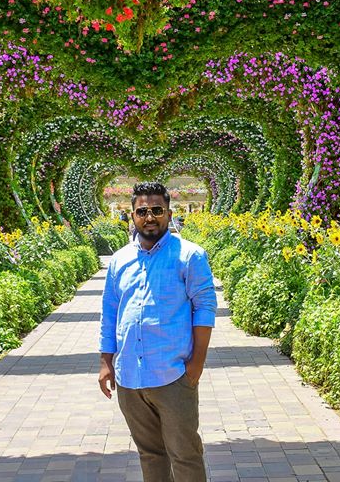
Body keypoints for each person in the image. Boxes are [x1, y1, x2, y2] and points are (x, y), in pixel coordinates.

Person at [98, 181, 217, 482]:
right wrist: (105, 362)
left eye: (156, 210)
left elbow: (204, 308)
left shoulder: (190, 256)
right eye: (142, 211)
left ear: (168, 213)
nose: (149, 217)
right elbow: (110, 312)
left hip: (173, 374)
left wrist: (196, 365)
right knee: (149, 454)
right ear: (132, 215)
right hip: (129, 377)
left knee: (186, 455)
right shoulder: (120, 260)